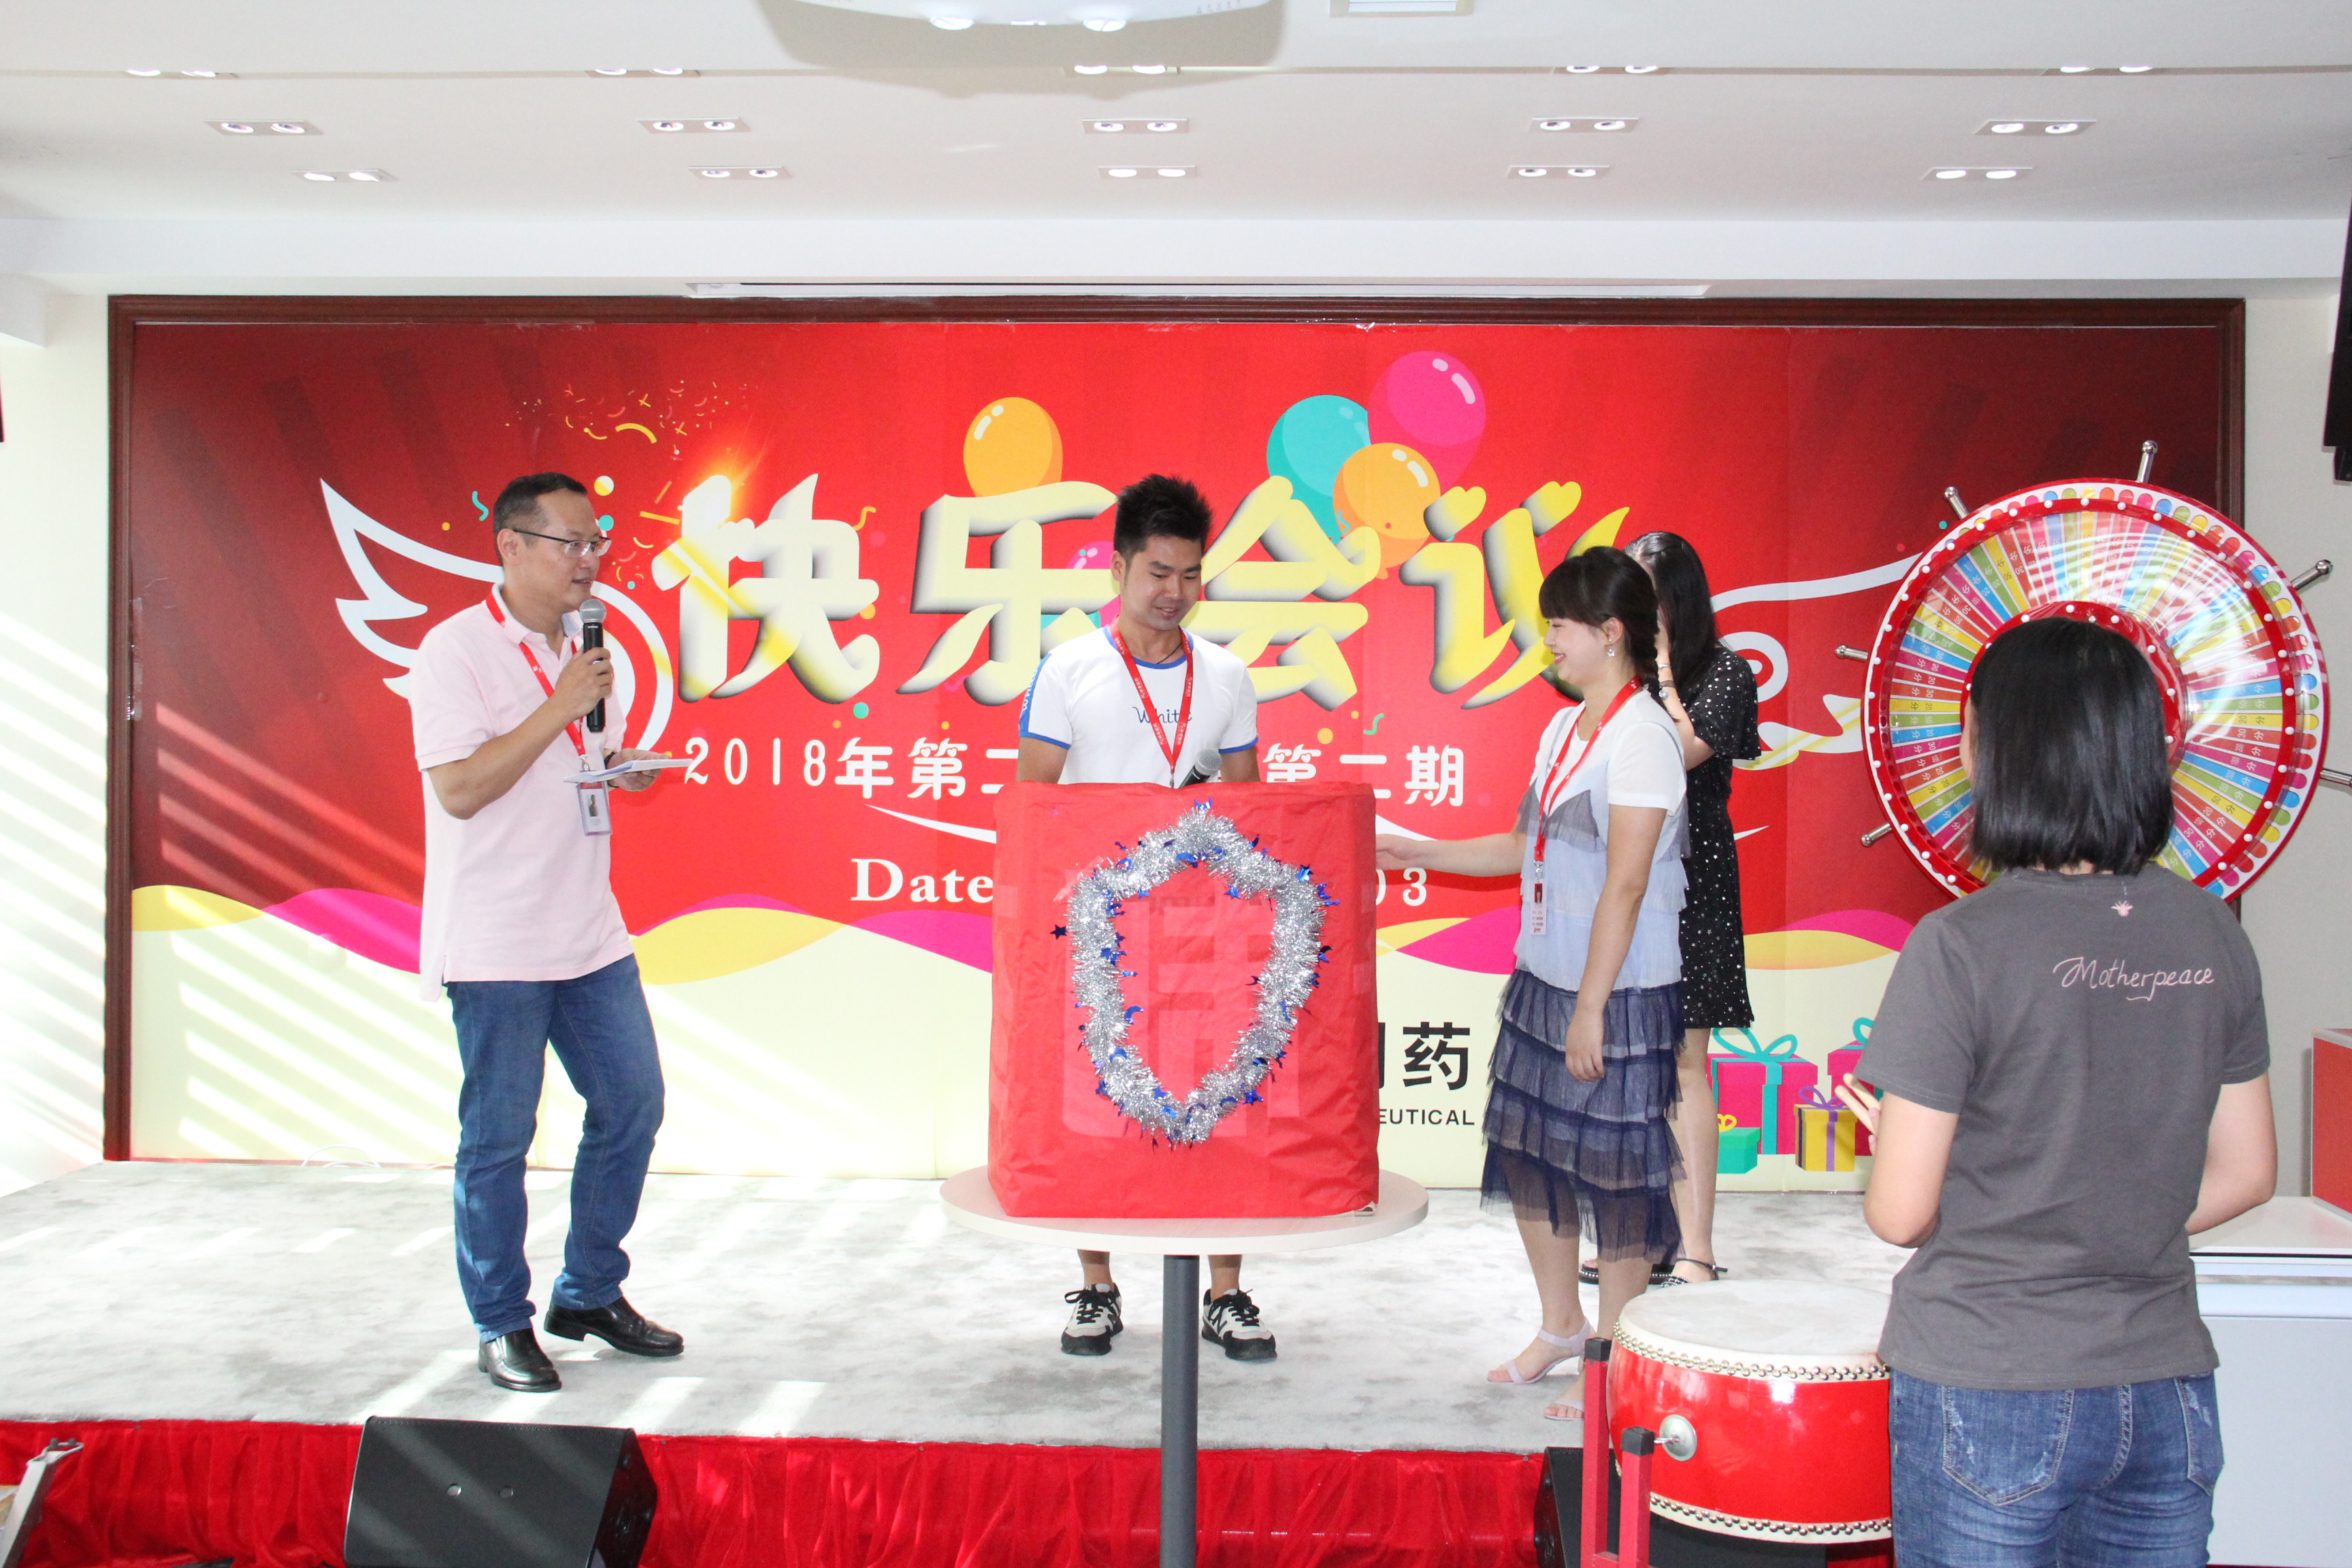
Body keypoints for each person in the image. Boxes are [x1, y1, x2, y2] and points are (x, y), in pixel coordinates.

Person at [1837, 617, 2276, 1565]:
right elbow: (2247, 1173)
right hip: (2165, 1388)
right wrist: (2109, 1217)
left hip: (1990, 1379)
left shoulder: (1960, 945)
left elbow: (1901, 1215)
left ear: (1999, 751)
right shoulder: (2213, 932)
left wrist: (1911, 1154)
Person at [1377, 546, 1688, 1422]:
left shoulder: (1643, 737)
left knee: (1618, 1178)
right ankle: (1561, 1327)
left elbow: (1627, 883)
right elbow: (1523, 849)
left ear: (1610, 632)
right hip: (1544, 977)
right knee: (1532, 1158)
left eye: (1559, 625)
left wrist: (1591, 1008)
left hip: (1616, 993)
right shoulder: (1563, 730)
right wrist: (1418, 851)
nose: (1547, 640)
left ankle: (1615, 1364)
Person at [408, 471, 684, 1394]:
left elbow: (577, 760)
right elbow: (460, 788)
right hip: (495, 940)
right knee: (498, 1137)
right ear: (512, 546)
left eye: (596, 542)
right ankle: (500, 1320)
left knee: (633, 1104)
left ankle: (588, 1292)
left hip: (588, 928)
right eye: (570, 542)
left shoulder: (585, 648)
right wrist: (560, 705)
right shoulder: (454, 651)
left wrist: (621, 768)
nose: (589, 559)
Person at [1015, 474, 1277, 1362]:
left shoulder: (1228, 676)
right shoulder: (1068, 670)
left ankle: (1226, 1294)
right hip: (1099, 930)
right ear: (1121, 568)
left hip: (1203, 932)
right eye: (1158, 572)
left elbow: (1249, 809)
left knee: (1225, 1103)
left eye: (1190, 574)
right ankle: (1096, 1285)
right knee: (1093, 1107)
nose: (1174, 591)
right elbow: (1034, 807)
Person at [1620, 530, 1760, 1290]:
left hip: (1695, 877)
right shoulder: (1622, 674)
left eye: (1647, 595)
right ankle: (1643, 1240)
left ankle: (1696, 1250)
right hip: (1626, 876)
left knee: (1684, 1060)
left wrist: (1666, 671)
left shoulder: (1727, 672)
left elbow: (1683, 751)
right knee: (1630, 1060)